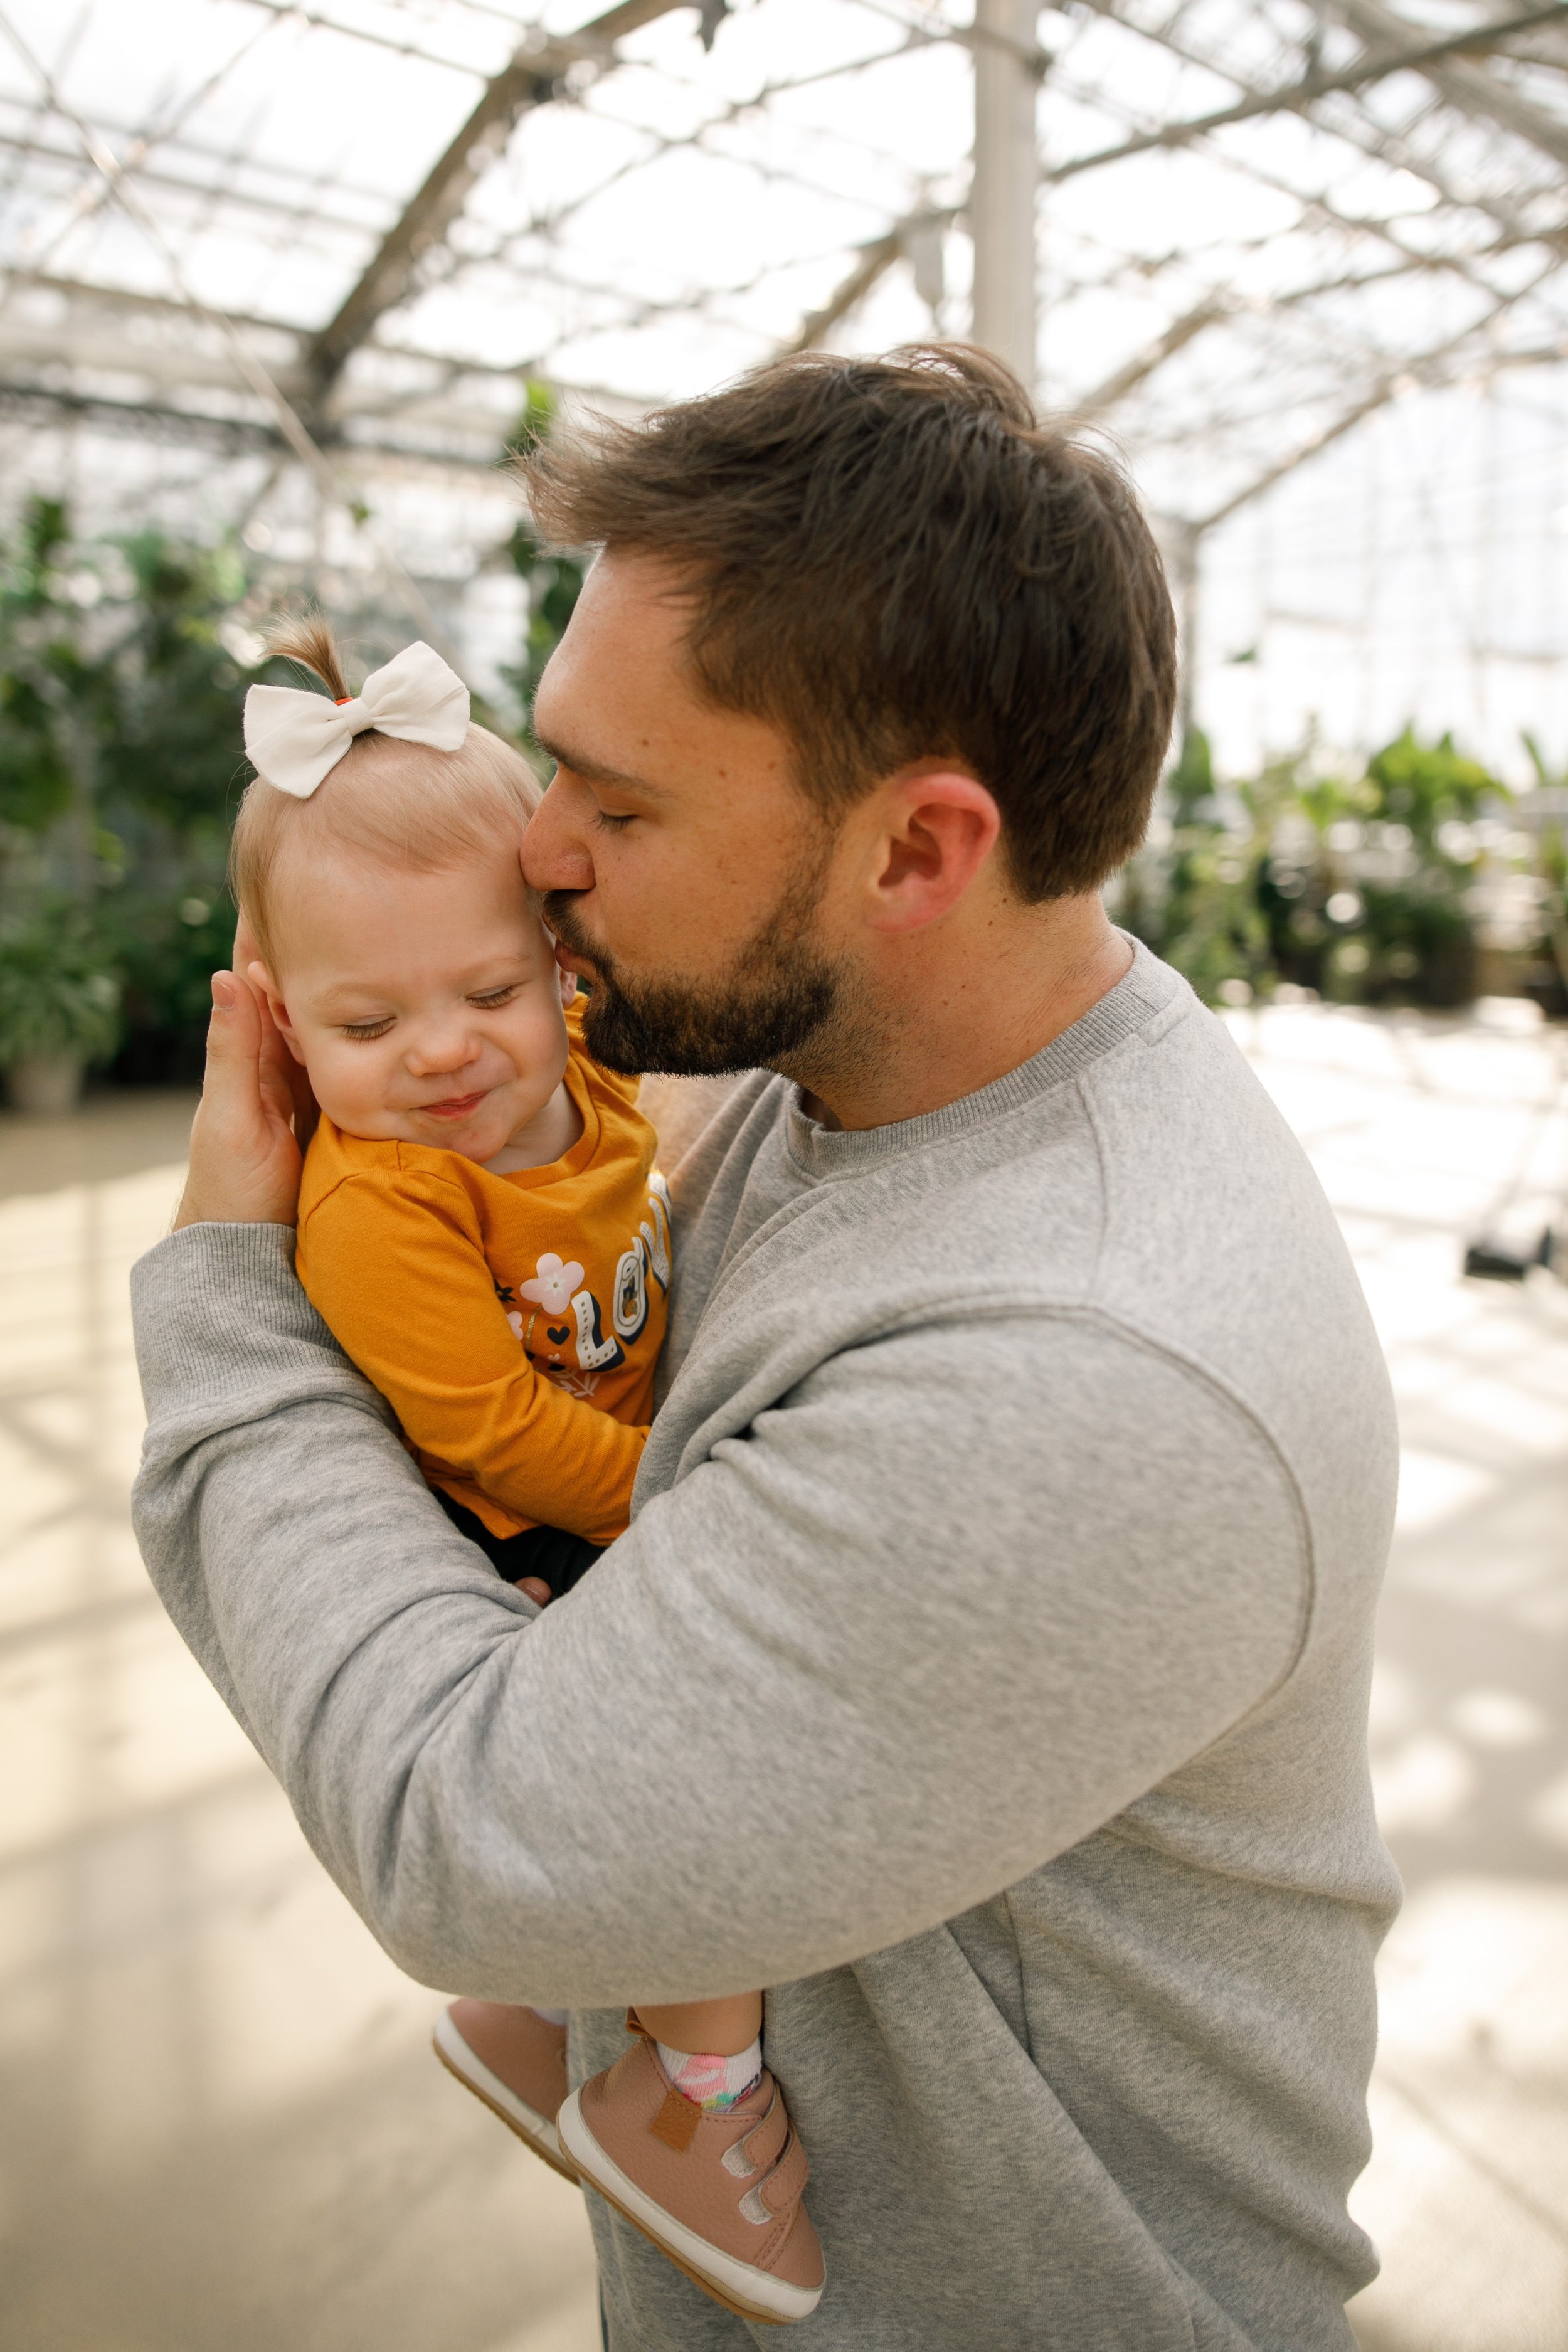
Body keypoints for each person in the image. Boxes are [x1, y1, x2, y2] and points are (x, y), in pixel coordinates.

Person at [131, 344, 1401, 2352]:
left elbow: (468, 1836)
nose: (536, 848)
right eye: (553, 761)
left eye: (615, 804)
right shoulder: (851, 1078)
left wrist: (227, 1282)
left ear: (915, 854)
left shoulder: (1075, 1367)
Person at [229, 620, 824, 2321]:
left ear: (555, 957)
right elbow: (489, 1428)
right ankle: (686, 2099)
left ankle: (545, 2016)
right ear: (276, 1020)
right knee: (703, 1782)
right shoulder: (382, 1201)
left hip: (611, 1478)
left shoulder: (584, 1077)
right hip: (520, 1537)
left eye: (486, 990)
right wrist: (680, 1495)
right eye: (365, 1019)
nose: (441, 1051)